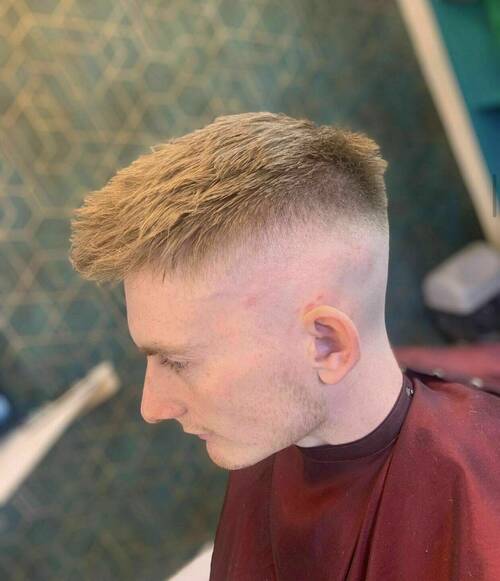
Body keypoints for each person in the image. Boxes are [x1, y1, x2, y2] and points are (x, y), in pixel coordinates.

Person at [69, 112, 500, 580]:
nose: (152, 408)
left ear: (327, 345)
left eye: (177, 361)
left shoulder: (481, 525)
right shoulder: (267, 439)